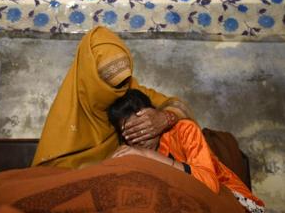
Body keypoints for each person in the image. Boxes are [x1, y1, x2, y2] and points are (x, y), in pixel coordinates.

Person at [108, 89, 267, 213]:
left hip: (228, 202)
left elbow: (209, 184)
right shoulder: (130, 152)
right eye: (131, 134)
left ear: (153, 119)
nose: (140, 138)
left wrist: (149, 156)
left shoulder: (184, 130)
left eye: (143, 128)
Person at [31, 26, 193, 168]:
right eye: (108, 84)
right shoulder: (67, 114)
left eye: (122, 82)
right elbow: (53, 171)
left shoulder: (129, 88)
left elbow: (179, 106)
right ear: (89, 76)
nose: (118, 91)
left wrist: (165, 118)